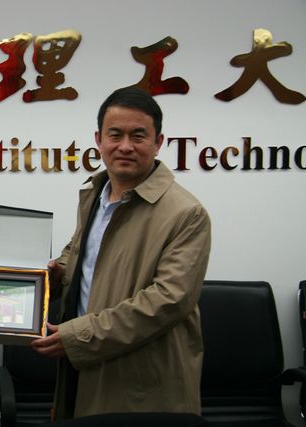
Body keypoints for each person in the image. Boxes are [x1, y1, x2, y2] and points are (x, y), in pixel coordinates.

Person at [31, 87, 211, 419]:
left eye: (138, 136)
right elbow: (81, 256)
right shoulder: (95, 196)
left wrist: (79, 336)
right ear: (99, 140)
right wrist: (54, 276)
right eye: (115, 135)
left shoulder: (187, 213)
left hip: (141, 379)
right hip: (83, 365)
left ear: (158, 142)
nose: (125, 146)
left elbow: (168, 301)